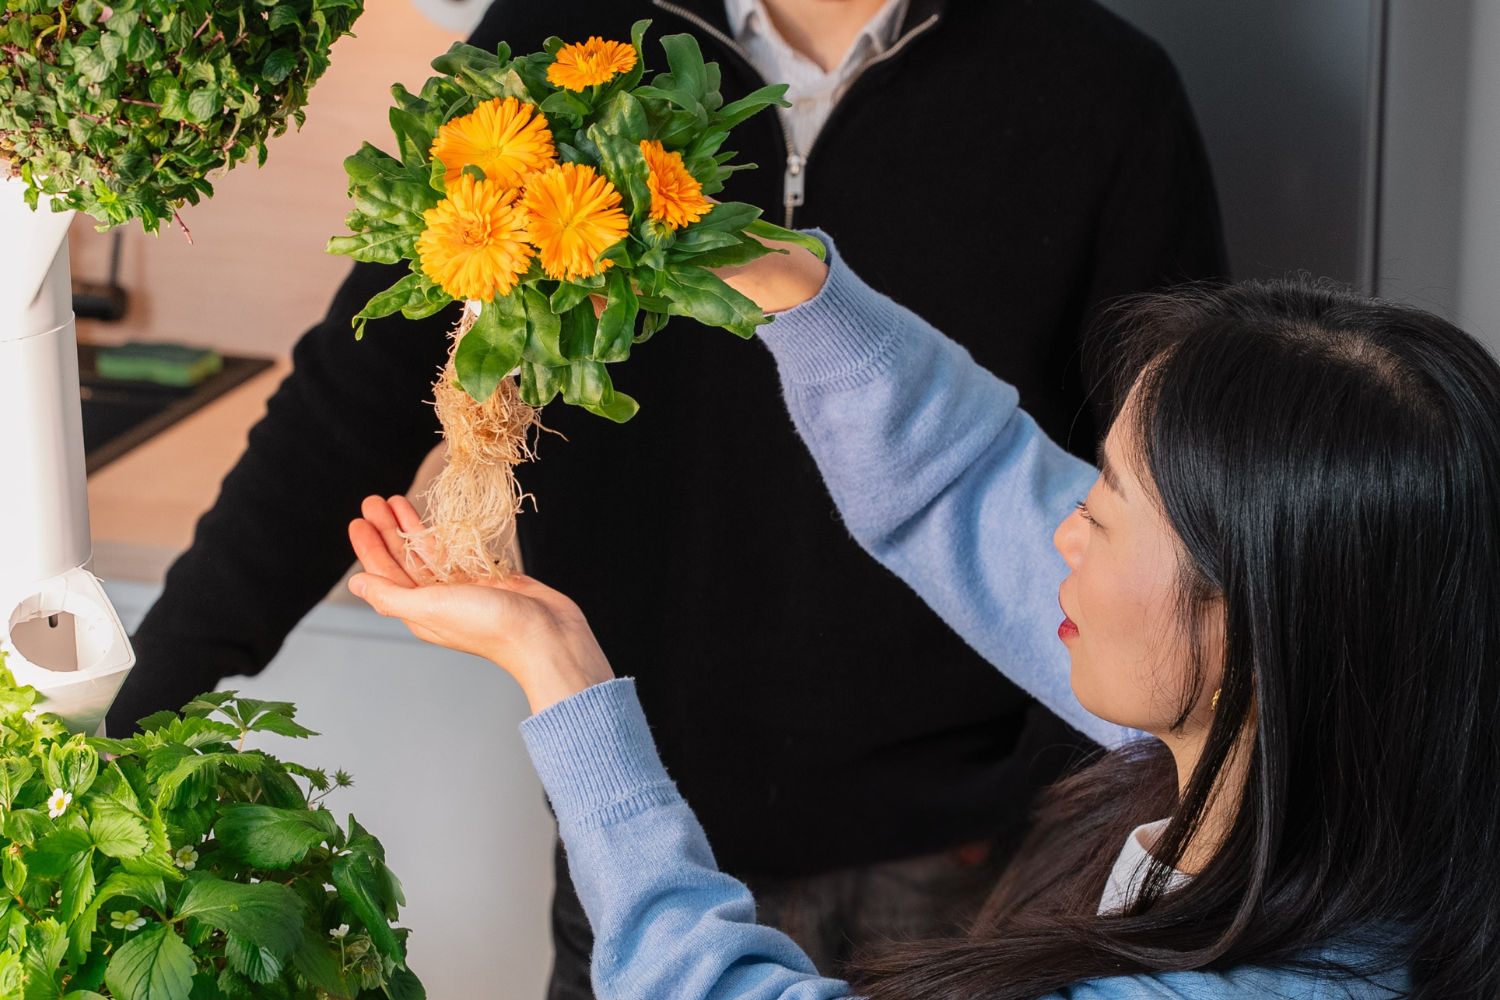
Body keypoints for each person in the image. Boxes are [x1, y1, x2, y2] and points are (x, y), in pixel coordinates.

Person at [111, 0, 1225, 991]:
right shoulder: (558, 47)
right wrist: (128, 721)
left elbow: (1155, 512)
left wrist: (1062, 814)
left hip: (957, 853)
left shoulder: (1102, 88)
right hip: (627, 793)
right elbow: (349, 401)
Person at [345, 234, 1500, 999]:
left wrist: (563, 679)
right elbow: (978, 487)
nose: (1064, 527)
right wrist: (797, 291)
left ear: (1253, 611)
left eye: (1108, 500)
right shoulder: (1354, 763)